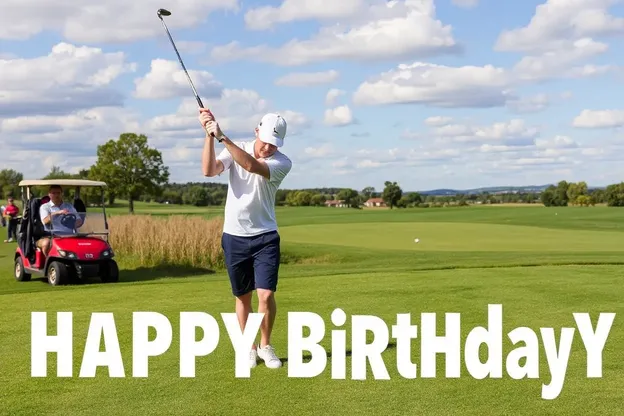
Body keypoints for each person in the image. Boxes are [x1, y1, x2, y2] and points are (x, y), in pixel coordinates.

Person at [199, 108, 292, 370]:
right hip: (234, 236)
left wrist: (222, 137)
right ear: (256, 132)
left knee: (265, 294)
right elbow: (209, 170)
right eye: (265, 142)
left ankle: (266, 345)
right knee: (243, 297)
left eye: (274, 145)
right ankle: (249, 348)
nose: (268, 148)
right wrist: (209, 135)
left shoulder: (282, 163)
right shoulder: (234, 147)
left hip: (265, 237)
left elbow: (251, 166)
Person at [37, 185, 83, 256]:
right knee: (46, 243)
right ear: (49, 194)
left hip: (69, 235)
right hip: (51, 235)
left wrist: (73, 224)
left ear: (62, 194)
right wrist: (58, 213)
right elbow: (45, 220)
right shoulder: (45, 207)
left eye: (58, 193)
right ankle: (48, 263)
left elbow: (79, 220)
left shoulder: (69, 206)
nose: (56, 195)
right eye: (53, 193)